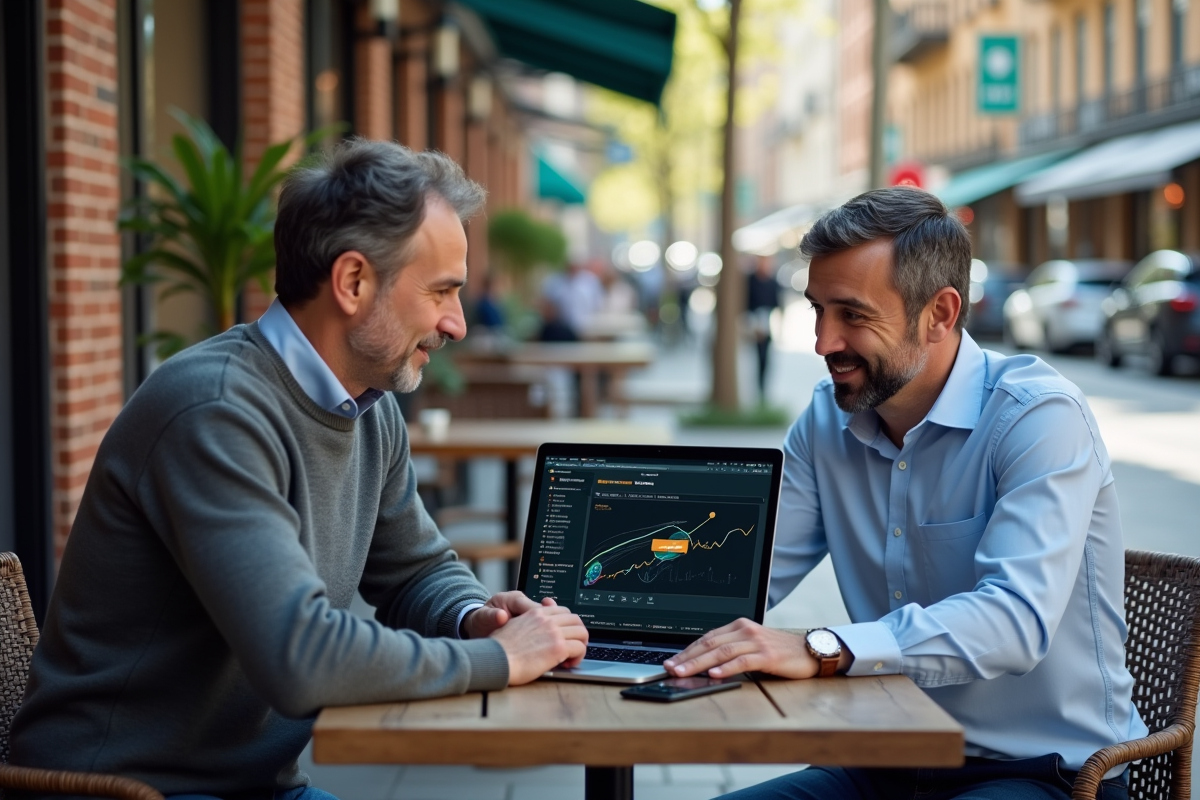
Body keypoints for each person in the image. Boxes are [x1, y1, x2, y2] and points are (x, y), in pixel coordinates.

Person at [10, 140, 589, 798]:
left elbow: (416, 570)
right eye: (440, 292)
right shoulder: (215, 412)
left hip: (253, 784)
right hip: (128, 788)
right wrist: (498, 659)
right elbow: (300, 656)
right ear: (352, 282)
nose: (456, 323)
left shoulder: (369, 408)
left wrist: (471, 617)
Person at [665, 187, 1144, 800]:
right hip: (889, 757)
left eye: (853, 315)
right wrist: (572, 612)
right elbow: (741, 568)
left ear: (940, 314)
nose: (822, 343)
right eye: (816, 310)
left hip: (1048, 772)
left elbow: (1015, 621)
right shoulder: (825, 420)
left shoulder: (1038, 417)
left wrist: (823, 648)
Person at [746, 255, 780, 402]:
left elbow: (777, 305)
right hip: (753, 322)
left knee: (766, 360)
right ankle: (756, 390)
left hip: (767, 323)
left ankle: (763, 390)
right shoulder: (750, 281)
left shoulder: (773, 283)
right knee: (754, 359)